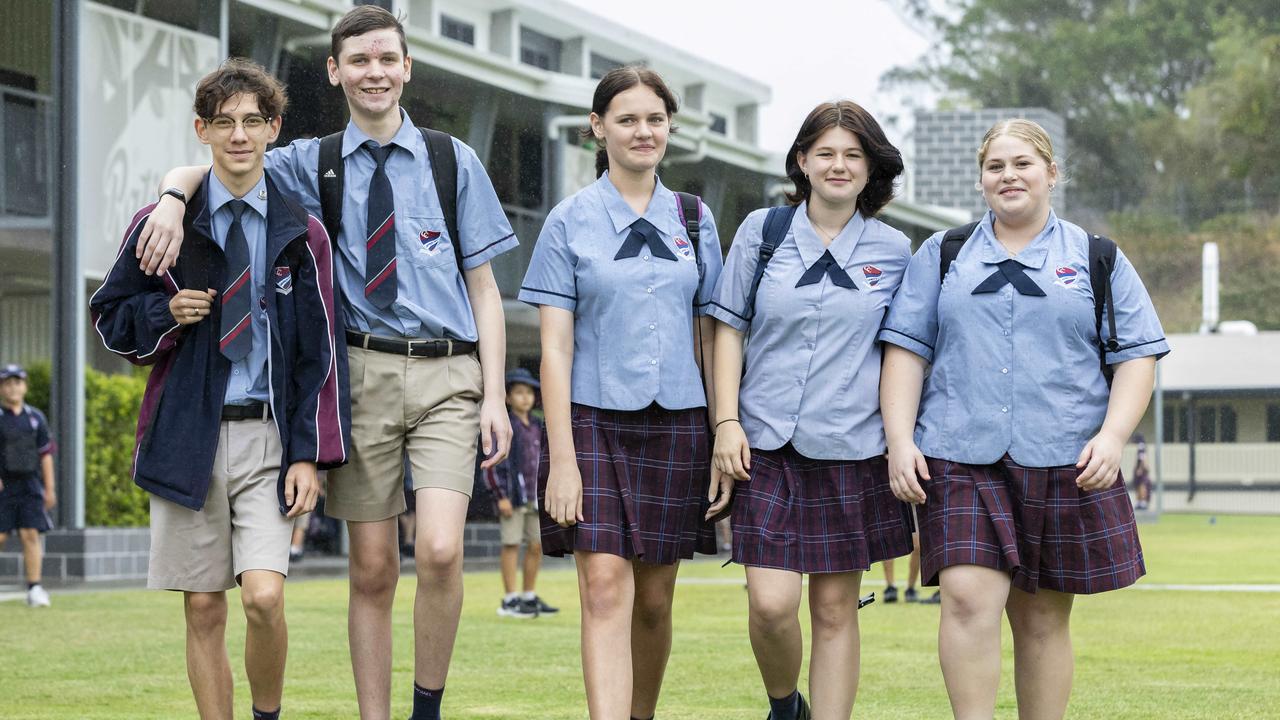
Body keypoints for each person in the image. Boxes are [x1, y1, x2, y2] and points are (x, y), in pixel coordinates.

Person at [136, 8, 517, 719]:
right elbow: (222, 156)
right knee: (371, 567)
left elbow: (485, 290)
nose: (374, 72)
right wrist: (168, 197)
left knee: (437, 550)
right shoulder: (307, 163)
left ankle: (426, 707)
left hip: (447, 373)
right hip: (360, 376)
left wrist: (494, 395)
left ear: (407, 68)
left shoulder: (450, 158)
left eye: (387, 59)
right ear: (334, 71)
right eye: (359, 61)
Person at [879, 118, 1167, 720]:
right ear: (981, 179)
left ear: (1051, 174)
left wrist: (1113, 437)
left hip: (1065, 458)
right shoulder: (944, 254)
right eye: (995, 166)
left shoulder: (1097, 258)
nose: (1008, 175)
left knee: (1040, 616)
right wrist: (900, 439)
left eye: (1023, 164)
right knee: (964, 598)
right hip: (958, 454)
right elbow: (907, 350)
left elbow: (1137, 356)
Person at [89, 58, 347, 720]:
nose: (239, 135)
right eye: (224, 122)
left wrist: (307, 454)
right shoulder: (163, 225)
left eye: (253, 121)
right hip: (186, 435)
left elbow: (320, 356)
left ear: (274, 129)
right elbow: (111, 317)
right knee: (204, 606)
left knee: (263, 596)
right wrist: (162, 317)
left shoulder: (303, 234)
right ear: (201, 130)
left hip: (267, 438)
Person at [519, 65, 726, 720]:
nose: (643, 131)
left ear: (670, 128)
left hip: (681, 427)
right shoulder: (567, 222)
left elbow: (714, 338)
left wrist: (725, 428)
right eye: (628, 118)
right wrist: (561, 458)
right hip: (590, 426)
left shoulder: (695, 220)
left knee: (656, 600)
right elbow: (554, 347)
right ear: (597, 127)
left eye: (655, 119)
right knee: (605, 590)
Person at [708, 100, 914, 720]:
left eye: (853, 154)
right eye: (825, 152)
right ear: (802, 161)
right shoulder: (762, 232)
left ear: (871, 167)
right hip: (764, 445)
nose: (839, 165)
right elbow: (727, 331)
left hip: (853, 449)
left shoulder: (899, 251)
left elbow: (907, 354)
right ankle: (783, 705)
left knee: (833, 610)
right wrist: (725, 423)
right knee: (770, 604)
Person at [483, 368, 558, 619]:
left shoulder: (538, 425)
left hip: (534, 497)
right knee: (511, 544)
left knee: (536, 544)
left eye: (528, 393)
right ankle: (510, 598)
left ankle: (529, 595)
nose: (524, 398)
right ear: (508, 397)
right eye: (518, 393)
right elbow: (493, 462)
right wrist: (500, 495)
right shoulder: (505, 426)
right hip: (512, 497)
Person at [0, 364, 56, 608]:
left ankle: (35, 588)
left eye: (17, 382)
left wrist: (50, 488)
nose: (13, 387)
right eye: (7, 383)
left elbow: (46, 454)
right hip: (4, 486)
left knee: (30, 534)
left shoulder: (36, 418)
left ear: (25, 386)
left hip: (30, 485)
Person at [1132, 433, 1152, 510]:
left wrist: (1140, 468)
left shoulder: (1141, 446)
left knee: (1141, 485)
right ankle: (1140, 502)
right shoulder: (1143, 446)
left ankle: (1142, 502)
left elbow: (1142, 458)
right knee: (1139, 485)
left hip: (1141, 470)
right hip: (1141, 469)